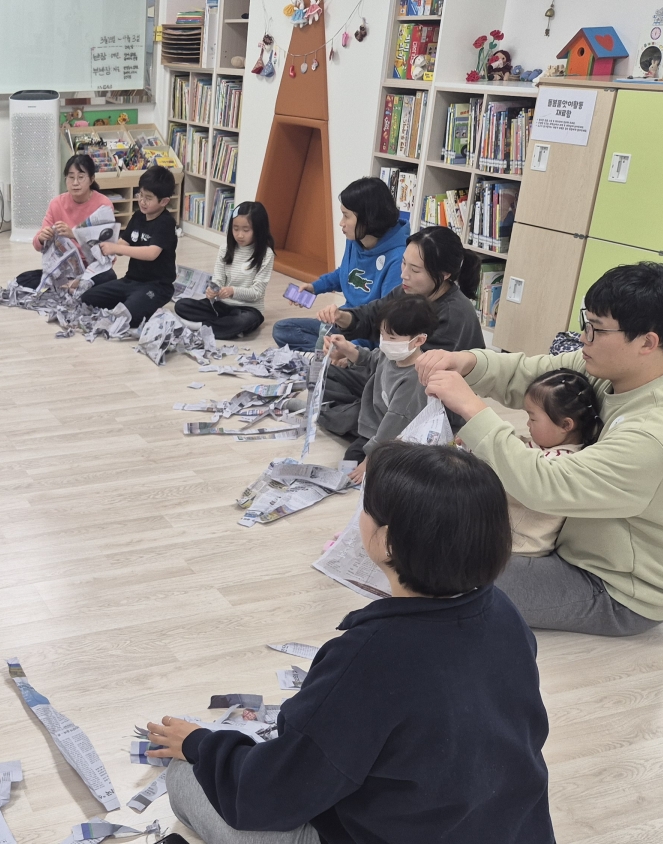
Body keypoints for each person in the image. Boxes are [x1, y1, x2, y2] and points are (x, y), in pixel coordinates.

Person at [147, 442, 554, 844]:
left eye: (366, 507)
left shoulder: (370, 658)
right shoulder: (502, 611)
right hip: (511, 827)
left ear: (389, 541)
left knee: (185, 777)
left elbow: (274, 795)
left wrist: (201, 745)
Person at [417, 262, 663, 636]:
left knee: (435, 562)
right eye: (585, 322)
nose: (583, 337)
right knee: (436, 532)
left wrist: (472, 408)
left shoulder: (658, 431)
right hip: (571, 540)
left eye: (597, 329)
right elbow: (531, 375)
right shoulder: (611, 370)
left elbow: (544, 485)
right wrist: (467, 361)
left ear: (647, 343)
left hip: (616, 588)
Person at [316, 226, 485, 435]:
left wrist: (356, 357)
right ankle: (358, 417)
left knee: (364, 413)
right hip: (391, 378)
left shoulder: (453, 315)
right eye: (404, 263)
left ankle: (360, 421)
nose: (404, 275)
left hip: (423, 401)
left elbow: (413, 377)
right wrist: (342, 318)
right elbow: (372, 315)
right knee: (323, 372)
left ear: (444, 275)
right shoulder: (409, 291)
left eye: (415, 270)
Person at [271, 178, 408, 350]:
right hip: (343, 321)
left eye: (346, 216)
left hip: (368, 335)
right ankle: (331, 353)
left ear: (368, 218)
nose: (341, 223)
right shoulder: (356, 239)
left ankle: (339, 354)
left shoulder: (399, 258)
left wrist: (351, 347)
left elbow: (386, 320)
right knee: (282, 329)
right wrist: (314, 288)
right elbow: (345, 273)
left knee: (336, 346)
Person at [492, 369, 601, 557]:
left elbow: (517, 473)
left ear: (566, 425)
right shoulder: (547, 444)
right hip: (501, 533)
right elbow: (519, 447)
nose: (528, 424)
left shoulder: (563, 463)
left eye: (533, 418)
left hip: (520, 547)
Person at [322, 294, 436, 473]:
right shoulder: (391, 355)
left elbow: (394, 425)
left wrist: (370, 459)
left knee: (356, 460)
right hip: (374, 423)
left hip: (396, 440)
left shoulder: (414, 378)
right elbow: (370, 358)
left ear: (419, 340)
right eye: (382, 335)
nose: (385, 342)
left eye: (392, 338)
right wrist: (347, 348)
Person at [79, 165, 179, 327]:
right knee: (87, 299)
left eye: (148, 198)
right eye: (140, 194)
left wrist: (116, 248)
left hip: (157, 286)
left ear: (164, 201)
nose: (142, 201)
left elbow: (151, 253)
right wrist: (102, 245)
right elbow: (123, 244)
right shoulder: (138, 216)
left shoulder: (166, 223)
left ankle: (140, 305)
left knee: (129, 316)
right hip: (130, 281)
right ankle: (133, 302)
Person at [174, 201, 275, 339]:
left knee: (244, 320)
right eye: (235, 229)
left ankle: (201, 326)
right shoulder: (225, 248)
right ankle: (225, 328)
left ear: (259, 229)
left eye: (246, 230)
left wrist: (233, 291)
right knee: (181, 305)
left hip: (248, 309)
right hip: (221, 305)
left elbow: (257, 292)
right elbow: (218, 278)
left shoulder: (266, 254)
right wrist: (213, 290)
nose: (240, 235)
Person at [16, 154, 118, 287]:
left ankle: (71, 286)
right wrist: (42, 238)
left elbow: (107, 250)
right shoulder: (56, 203)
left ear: (92, 179)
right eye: (71, 177)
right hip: (64, 268)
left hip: (93, 268)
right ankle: (73, 286)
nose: (75, 183)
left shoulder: (103, 205)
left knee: (109, 277)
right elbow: (37, 244)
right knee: (23, 279)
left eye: (81, 177)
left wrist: (75, 234)